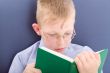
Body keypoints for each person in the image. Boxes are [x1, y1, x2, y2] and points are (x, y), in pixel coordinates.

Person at [9, 0, 101, 73]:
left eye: (67, 33)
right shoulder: (22, 59)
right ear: (38, 29)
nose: (61, 43)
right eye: (52, 35)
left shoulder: (88, 57)